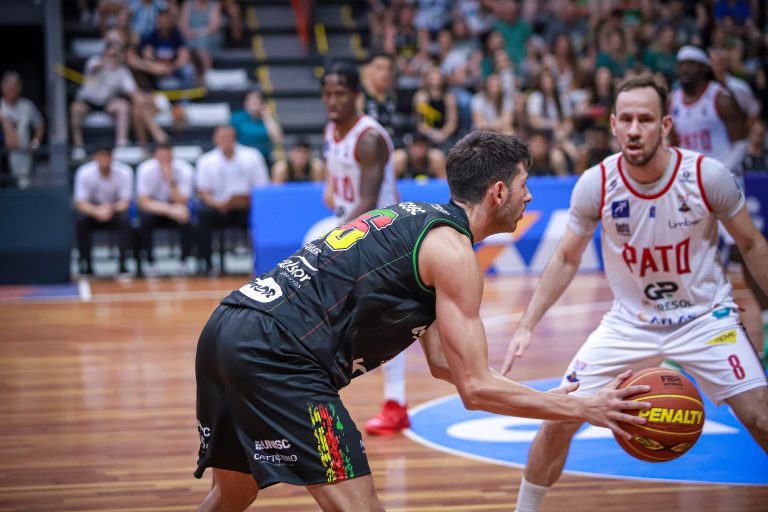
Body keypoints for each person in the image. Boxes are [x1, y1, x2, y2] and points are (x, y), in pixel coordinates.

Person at [193, 129, 653, 511]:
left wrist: (541, 399)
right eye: (523, 185)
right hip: (278, 355)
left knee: (233, 494)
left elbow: (444, 364)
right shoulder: (452, 253)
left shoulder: (415, 222)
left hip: (226, 328)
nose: (529, 196)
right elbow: (475, 388)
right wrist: (584, 408)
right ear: (498, 192)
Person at [502, 75, 768, 512]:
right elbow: (566, 257)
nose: (633, 129)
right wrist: (527, 324)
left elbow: (753, 244)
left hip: (705, 319)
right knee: (558, 416)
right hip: (629, 324)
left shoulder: (706, 176)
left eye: (645, 119)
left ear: (665, 125)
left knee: (760, 416)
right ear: (612, 124)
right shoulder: (597, 183)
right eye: (625, 119)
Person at [318, 63, 406, 435]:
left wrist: (332, 239)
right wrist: (332, 191)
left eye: (340, 94)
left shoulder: (369, 138)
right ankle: (319, 389)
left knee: (383, 321)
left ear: (357, 95)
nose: (332, 101)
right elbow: (337, 182)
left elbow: (369, 203)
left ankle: (396, 403)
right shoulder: (331, 130)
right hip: (349, 229)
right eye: (327, 94)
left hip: (378, 235)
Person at [669, 45, 768, 368]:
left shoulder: (721, 98)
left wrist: (714, 171)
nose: (684, 70)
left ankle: (766, 317)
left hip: (725, 182)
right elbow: (674, 144)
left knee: (742, 250)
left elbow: (742, 143)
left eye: (691, 65)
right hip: (690, 188)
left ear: (703, 68)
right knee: (687, 256)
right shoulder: (673, 101)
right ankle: (689, 336)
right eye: (681, 65)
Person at [195, 125, 270, 275]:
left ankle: (260, 262)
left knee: (262, 215)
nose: (226, 141)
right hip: (217, 208)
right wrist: (216, 203)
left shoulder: (252, 156)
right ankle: (206, 264)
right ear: (215, 139)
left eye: (229, 137)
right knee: (202, 214)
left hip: (245, 207)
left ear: (235, 138)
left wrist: (242, 200)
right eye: (222, 137)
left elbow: (262, 188)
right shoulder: (206, 160)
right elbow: (202, 192)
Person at [73, 145, 135, 277]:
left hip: (115, 210)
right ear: (95, 157)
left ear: (112, 157)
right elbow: (80, 203)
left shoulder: (124, 171)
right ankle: (86, 264)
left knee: (126, 220)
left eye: (107, 155)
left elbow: (126, 202)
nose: (105, 159)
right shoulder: (84, 172)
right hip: (92, 212)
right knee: (81, 221)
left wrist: (110, 209)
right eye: (101, 155)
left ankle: (123, 264)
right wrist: (96, 211)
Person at [135, 141, 195, 276]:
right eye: (161, 156)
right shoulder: (145, 169)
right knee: (145, 219)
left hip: (177, 209)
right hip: (155, 210)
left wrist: (171, 180)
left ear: (172, 155)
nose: (165, 160)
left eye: (168, 156)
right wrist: (170, 210)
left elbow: (182, 201)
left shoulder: (184, 169)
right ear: (155, 156)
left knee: (185, 217)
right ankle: (149, 262)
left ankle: (184, 261)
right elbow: (143, 202)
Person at [70, 40, 136, 161]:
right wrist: (105, 64)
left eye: (115, 55)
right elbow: (93, 69)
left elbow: (132, 90)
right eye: (110, 54)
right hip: (88, 101)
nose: (112, 57)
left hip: (107, 103)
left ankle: (121, 145)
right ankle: (78, 147)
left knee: (123, 106)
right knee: (75, 108)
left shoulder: (122, 71)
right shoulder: (94, 62)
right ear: (104, 52)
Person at [0, 71, 45, 189]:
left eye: (14, 85)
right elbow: (12, 143)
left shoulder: (27, 105)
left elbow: (40, 124)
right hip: (4, 158)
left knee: (24, 187)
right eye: (8, 85)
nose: (11, 89)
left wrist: (35, 143)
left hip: (24, 157)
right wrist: (5, 121)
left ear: (20, 87)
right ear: (2, 87)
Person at [230, 88, 283, 164]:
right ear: (246, 103)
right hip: (242, 158)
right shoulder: (237, 117)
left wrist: (266, 116)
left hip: (264, 158)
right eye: (251, 100)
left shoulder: (268, 119)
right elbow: (230, 138)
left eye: (257, 101)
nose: (254, 103)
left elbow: (278, 139)